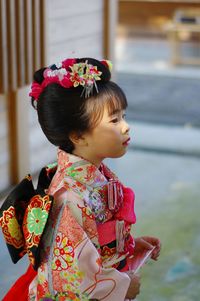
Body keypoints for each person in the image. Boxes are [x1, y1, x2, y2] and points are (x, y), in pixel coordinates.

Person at [0, 57, 161, 301]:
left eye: (123, 116)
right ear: (78, 135)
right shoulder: (69, 195)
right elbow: (70, 275)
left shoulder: (92, 175)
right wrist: (119, 287)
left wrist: (127, 246)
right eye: (114, 120)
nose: (126, 127)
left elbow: (94, 240)